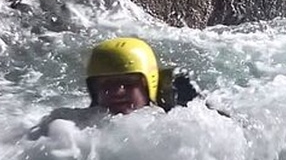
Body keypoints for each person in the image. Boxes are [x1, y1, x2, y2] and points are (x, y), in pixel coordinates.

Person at [27, 37, 203, 139]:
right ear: (94, 91)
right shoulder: (71, 128)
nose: (117, 92)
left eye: (128, 83)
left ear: (149, 84)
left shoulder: (181, 125)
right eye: (105, 84)